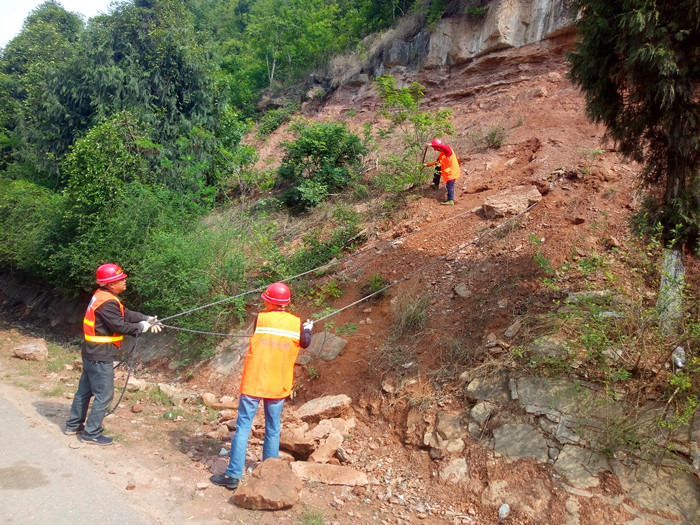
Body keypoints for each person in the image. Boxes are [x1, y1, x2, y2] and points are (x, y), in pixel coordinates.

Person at [210, 282, 312, 490]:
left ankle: (233, 477)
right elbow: (305, 342)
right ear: (286, 303)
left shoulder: (261, 318)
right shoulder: (297, 323)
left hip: (254, 382)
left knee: (243, 428)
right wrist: (308, 329)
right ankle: (269, 475)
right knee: (273, 429)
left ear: (270, 301)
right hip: (278, 384)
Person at [65, 263, 161, 446]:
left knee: (84, 391)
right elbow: (120, 325)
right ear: (110, 283)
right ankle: (91, 433)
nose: (125, 280)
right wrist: (141, 327)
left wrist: (145, 318)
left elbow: (125, 314)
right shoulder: (108, 302)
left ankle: (74, 425)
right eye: (120, 279)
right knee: (105, 395)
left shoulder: (103, 296)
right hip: (100, 355)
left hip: (92, 352)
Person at [425, 138, 461, 205]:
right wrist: (426, 165)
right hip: (447, 172)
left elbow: (443, 146)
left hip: (452, 172)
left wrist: (431, 145)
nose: (437, 150)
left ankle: (450, 200)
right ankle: (435, 184)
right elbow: (436, 162)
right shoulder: (442, 154)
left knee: (449, 185)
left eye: (436, 148)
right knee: (438, 167)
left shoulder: (448, 150)